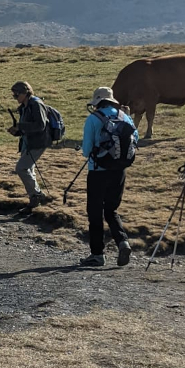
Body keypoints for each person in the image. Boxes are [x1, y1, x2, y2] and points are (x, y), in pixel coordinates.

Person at [79, 86, 135, 268]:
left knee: (95, 212)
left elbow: (86, 151)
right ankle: (123, 242)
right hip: (120, 170)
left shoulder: (93, 119)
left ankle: (97, 254)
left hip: (97, 172)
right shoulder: (125, 117)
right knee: (111, 210)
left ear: (98, 102)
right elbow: (136, 140)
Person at [8, 82, 52, 213]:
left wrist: (20, 127)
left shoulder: (36, 104)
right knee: (29, 169)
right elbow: (28, 126)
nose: (15, 97)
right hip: (28, 142)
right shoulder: (25, 106)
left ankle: (36, 195)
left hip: (38, 142)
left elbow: (40, 125)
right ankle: (37, 197)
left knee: (21, 168)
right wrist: (17, 132)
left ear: (25, 92)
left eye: (17, 94)